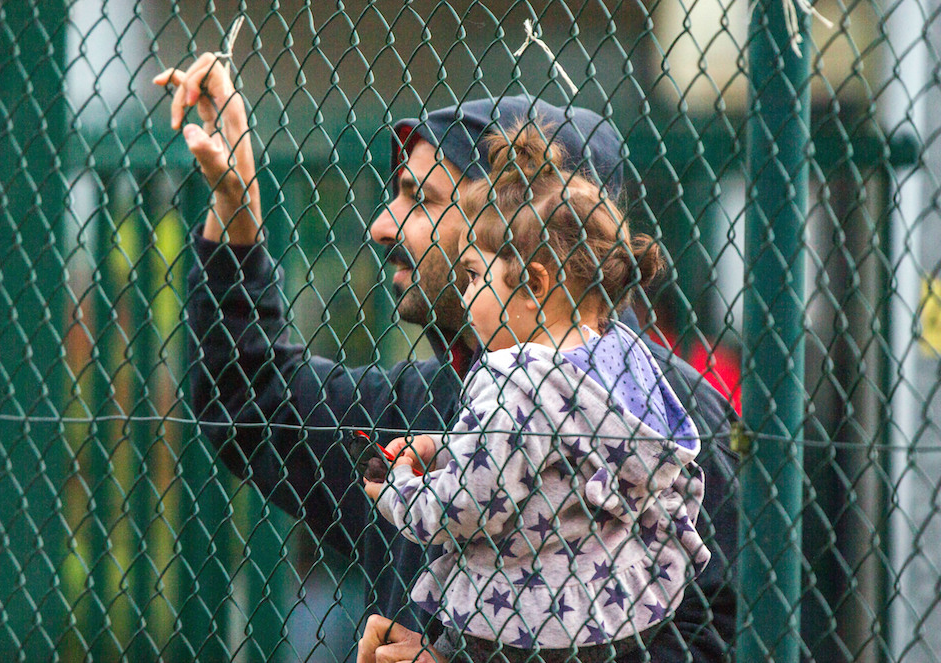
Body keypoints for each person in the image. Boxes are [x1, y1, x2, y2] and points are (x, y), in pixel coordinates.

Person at [154, 52, 738, 661]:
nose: (382, 225)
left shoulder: (670, 418)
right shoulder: (424, 398)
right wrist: (236, 209)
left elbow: (718, 639)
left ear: (523, 230)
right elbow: (252, 393)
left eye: (420, 197)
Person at [362, 121, 712, 660]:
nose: (464, 289)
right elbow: (536, 458)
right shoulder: (619, 356)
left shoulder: (512, 379)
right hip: (617, 609)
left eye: (475, 275)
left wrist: (398, 489)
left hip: (520, 624)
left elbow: (469, 503)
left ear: (532, 285)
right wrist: (450, 446)